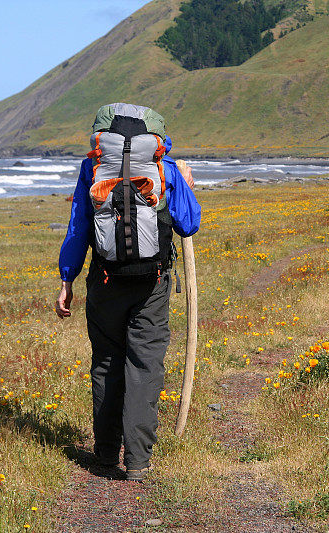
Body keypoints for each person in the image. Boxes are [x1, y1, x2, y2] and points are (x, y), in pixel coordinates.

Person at [55, 125, 200, 481]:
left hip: (104, 281)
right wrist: (187, 187)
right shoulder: (162, 164)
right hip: (152, 283)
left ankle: (105, 454)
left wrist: (66, 280)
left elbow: (79, 227)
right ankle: (137, 461)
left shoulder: (94, 166)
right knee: (145, 365)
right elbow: (189, 224)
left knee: (106, 362)